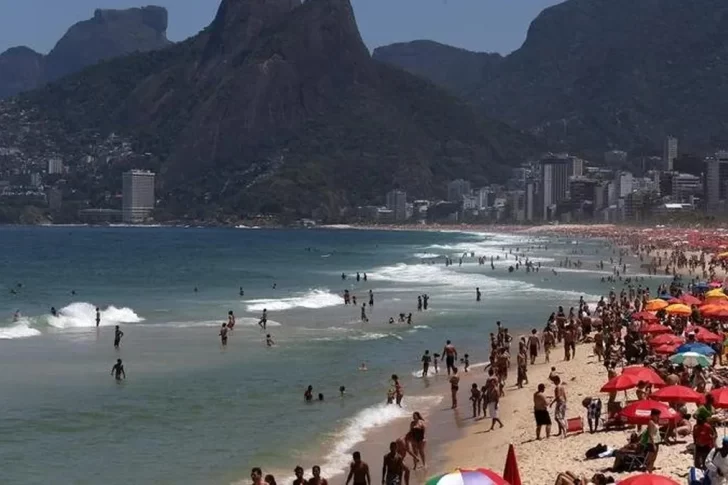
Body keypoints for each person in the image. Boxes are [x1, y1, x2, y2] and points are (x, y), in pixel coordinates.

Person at [644, 409, 661, 473]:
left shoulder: (656, 422)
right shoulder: (651, 422)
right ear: (653, 415)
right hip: (652, 442)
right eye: (657, 416)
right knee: (650, 457)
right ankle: (647, 469)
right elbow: (650, 434)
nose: (658, 417)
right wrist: (653, 444)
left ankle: (650, 470)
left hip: (657, 441)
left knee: (654, 457)